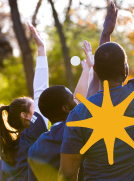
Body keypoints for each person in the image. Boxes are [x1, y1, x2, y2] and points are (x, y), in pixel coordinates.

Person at [58, 0, 134, 180]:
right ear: (125, 69)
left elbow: (67, 173)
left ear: (95, 70)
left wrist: (106, 34)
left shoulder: (79, 113)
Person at [27, 40, 97, 181]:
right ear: (65, 108)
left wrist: (87, 70)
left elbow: (79, 99)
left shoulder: (35, 149)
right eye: (72, 98)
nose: (76, 100)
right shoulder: (79, 131)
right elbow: (82, 99)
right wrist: (91, 69)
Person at [0, 22, 50, 180]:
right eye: (33, 106)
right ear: (26, 115)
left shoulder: (9, 148)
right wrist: (41, 49)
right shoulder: (33, 135)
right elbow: (41, 91)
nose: (38, 106)